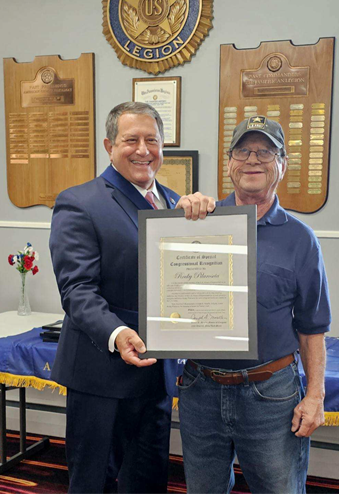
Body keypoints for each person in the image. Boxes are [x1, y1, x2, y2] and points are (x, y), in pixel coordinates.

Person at [49, 102, 215, 494]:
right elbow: (77, 291)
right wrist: (118, 332)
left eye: (152, 140)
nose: (143, 150)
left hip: (156, 375)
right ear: (109, 146)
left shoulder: (177, 204)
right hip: (101, 374)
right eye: (131, 140)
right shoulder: (80, 202)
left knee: (148, 479)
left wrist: (210, 217)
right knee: (94, 482)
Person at [178, 115, 332, 494]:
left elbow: (312, 327)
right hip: (200, 389)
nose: (253, 160)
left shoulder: (301, 239)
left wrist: (315, 396)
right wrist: (178, 214)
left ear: (283, 164)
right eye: (243, 150)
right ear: (229, 162)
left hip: (271, 395)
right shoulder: (197, 222)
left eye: (266, 151)